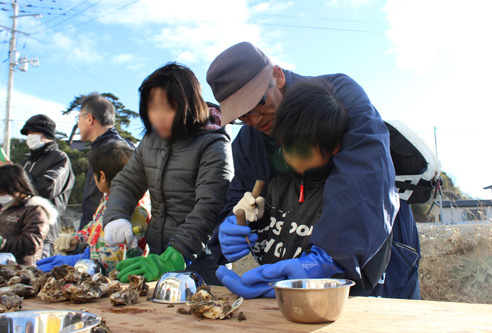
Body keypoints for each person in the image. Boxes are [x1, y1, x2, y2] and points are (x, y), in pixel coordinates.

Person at [207, 42, 420, 298]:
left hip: (371, 248)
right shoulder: (250, 139)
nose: (255, 120)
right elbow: (241, 192)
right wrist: (228, 226)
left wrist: (327, 259)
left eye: (259, 103)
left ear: (277, 75)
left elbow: (365, 175)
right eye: (242, 116)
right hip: (297, 268)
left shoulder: (340, 96)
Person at [102, 63, 233, 284]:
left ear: (187, 104)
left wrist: (174, 257)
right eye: (151, 108)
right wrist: (115, 217)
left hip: (202, 262)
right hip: (156, 257)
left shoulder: (213, 143)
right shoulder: (150, 142)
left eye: (167, 108)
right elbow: (126, 182)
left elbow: (211, 206)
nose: (157, 116)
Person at [36, 142, 151, 272]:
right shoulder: (108, 200)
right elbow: (95, 228)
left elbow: (118, 257)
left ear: (102, 176)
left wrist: (83, 259)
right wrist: (75, 239)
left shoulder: (136, 210)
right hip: (95, 266)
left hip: (115, 277)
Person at [0, 114, 75, 259]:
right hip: (14, 231)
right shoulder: (25, 162)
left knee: (36, 274)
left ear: (47, 135)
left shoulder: (60, 158)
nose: (30, 137)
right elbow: (9, 194)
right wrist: (5, 174)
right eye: (28, 134)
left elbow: (47, 187)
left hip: (44, 233)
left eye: (34, 132)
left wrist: (16, 175)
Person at [77, 92, 134, 230]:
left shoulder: (113, 151)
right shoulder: (119, 147)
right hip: (99, 232)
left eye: (78, 118)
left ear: (89, 118)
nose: (78, 124)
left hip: (108, 238)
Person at [0, 165, 58, 265]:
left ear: (21, 187)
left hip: (22, 270)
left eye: (3, 192)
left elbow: (31, 243)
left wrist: (0, 244)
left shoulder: (35, 211)